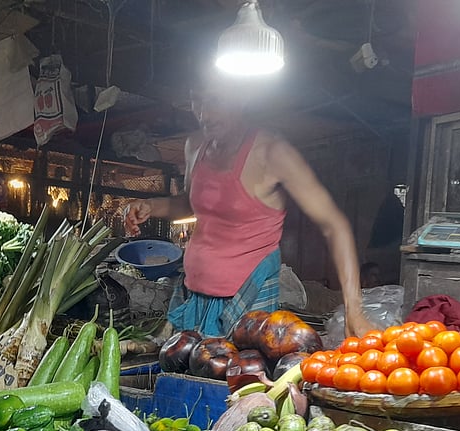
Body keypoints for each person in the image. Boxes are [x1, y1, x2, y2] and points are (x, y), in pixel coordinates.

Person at [124, 82, 371, 338]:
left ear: (241, 98)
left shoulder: (273, 153)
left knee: (240, 374)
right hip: (193, 295)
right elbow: (192, 203)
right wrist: (151, 206)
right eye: (196, 100)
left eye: (215, 100)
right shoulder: (196, 146)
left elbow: (335, 225)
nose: (203, 114)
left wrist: (354, 310)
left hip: (247, 303)